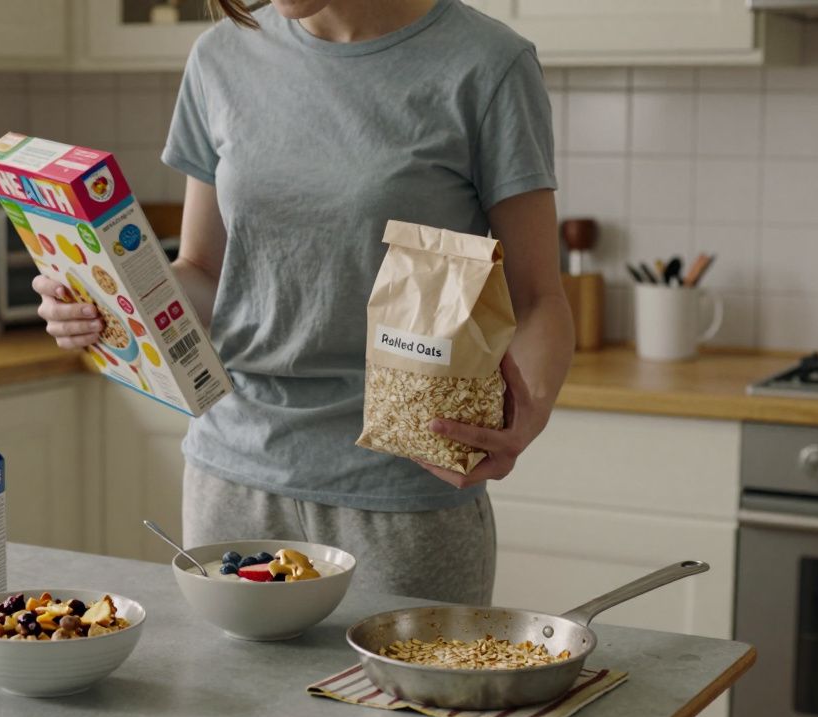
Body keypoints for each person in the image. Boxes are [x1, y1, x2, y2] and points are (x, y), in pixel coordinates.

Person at [34, 0, 574, 603]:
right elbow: (207, 273)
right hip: (232, 477)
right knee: (231, 699)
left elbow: (538, 299)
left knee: (397, 701)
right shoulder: (220, 56)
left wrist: (527, 416)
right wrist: (106, 297)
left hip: (404, 489)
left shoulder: (487, 64)